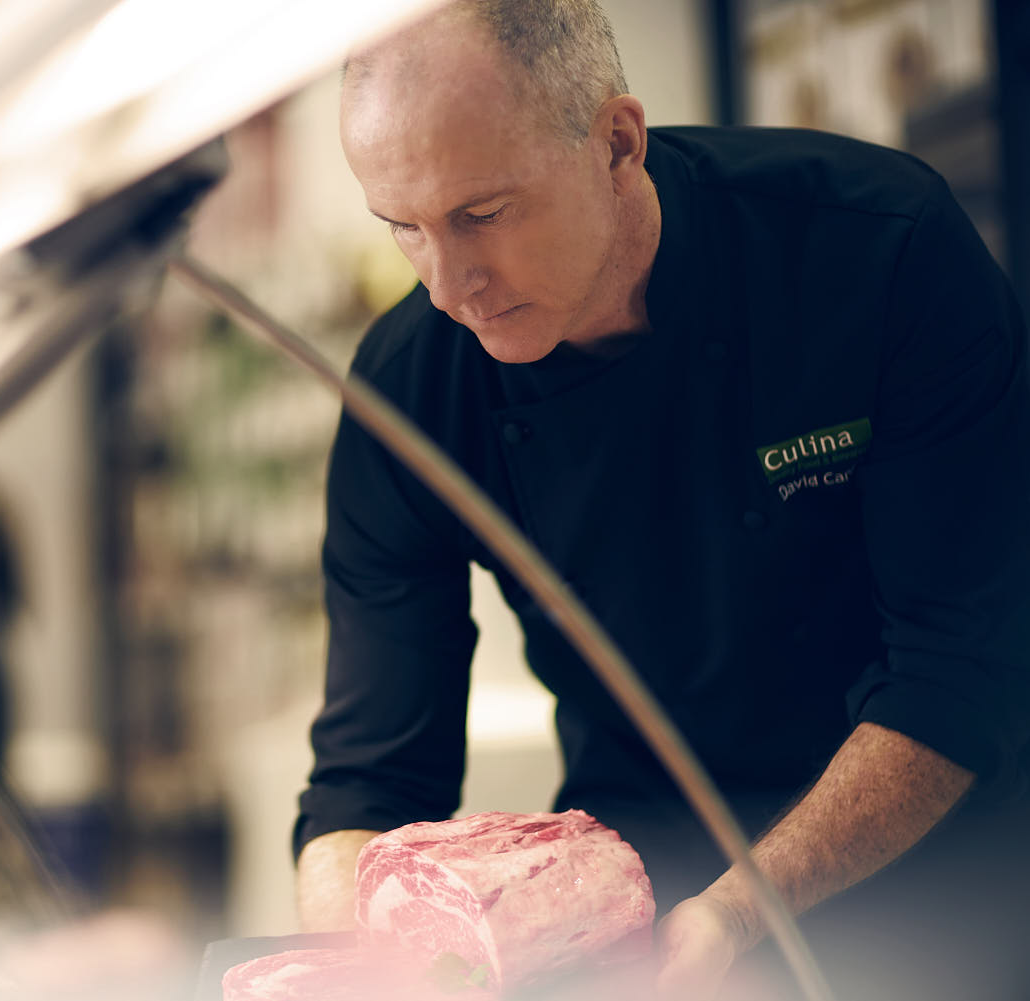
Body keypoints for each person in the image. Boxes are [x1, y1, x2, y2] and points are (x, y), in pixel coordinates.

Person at [291, 2, 1030, 999]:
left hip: (948, 880)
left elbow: (957, 670)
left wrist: (738, 912)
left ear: (617, 144)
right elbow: (370, 777)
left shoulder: (877, 247)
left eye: (483, 214)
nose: (449, 286)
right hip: (642, 899)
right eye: (404, 228)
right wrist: (358, 951)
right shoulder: (411, 386)